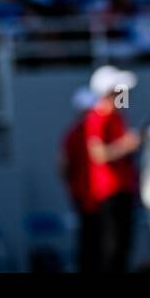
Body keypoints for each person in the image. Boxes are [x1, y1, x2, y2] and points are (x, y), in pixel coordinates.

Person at [80, 65, 142, 272]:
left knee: (123, 245)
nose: (123, 94)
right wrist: (127, 145)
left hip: (123, 189)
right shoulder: (98, 117)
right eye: (118, 90)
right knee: (111, 247)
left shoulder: (116, 117)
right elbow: (98, 154)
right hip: (109, 191)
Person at [59, 86, 97, 270]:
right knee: (91, 240)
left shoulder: (78, 133)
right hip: (86, 196)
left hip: (92, 195)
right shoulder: (76, 135)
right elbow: (63, 166)